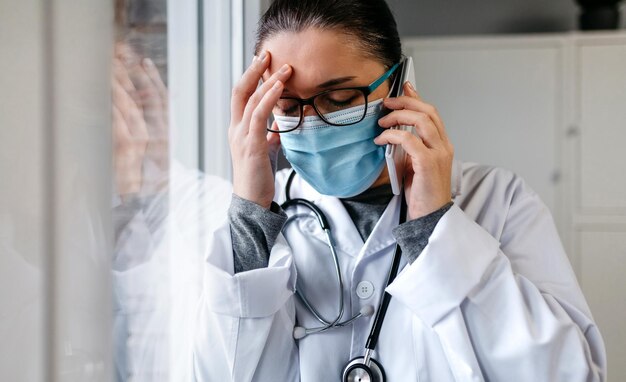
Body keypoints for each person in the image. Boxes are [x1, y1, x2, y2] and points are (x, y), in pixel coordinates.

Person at [192, 0, 606, 380]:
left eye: (339, 98)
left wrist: (434, 227)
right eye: (287, 106)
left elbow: (570, 373)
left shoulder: (497, 200)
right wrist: (251, 213)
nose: (312, 123)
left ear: (400, 83)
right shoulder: (256, 223)